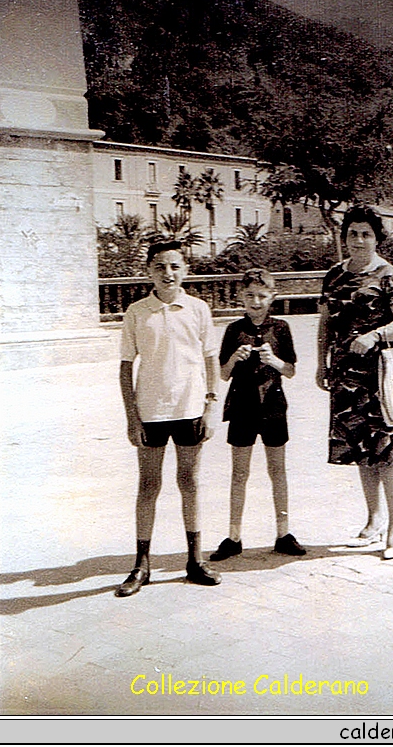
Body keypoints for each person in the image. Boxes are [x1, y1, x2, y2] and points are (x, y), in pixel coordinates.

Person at [115, 240, 221, 597]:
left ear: (185, 270)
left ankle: (195, 560)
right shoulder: (136, 312)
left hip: (190, 408)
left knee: (189, 482)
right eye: (160, 266)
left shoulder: (198, 308)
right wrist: (133, 418)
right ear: (148, 271)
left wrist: (209, 405)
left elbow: (209, 359)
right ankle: (141, 564)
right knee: (148, 486)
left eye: (175, 266)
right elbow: (126, 367)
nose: (168, 273)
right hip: (151, 411)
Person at [316, 205, 393, 560]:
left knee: (388, 451)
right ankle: (373, 521)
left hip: (381, 374)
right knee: (359, 449)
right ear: (344, 237)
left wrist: (375, 335)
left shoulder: (391, 276)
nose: (358, 240)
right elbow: (325, 323)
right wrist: (321, 364)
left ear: (377, 238)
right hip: (344, 373)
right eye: (353, 233)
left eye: (366, 234)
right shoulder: (333, 276)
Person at [210, 268, 306, 561]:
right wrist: (233, 360)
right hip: (242, 408)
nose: (256, 301)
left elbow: (290, 370)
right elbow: (222, 375)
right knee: (240, 473)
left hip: (274, 408)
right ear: (240, 297)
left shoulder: (281, 328)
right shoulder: (232, 330)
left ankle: (283, 533)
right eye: (250, 295)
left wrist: (274, 361)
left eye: (262, 295)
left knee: (277, 471)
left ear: (272, 297)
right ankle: (234, 536)